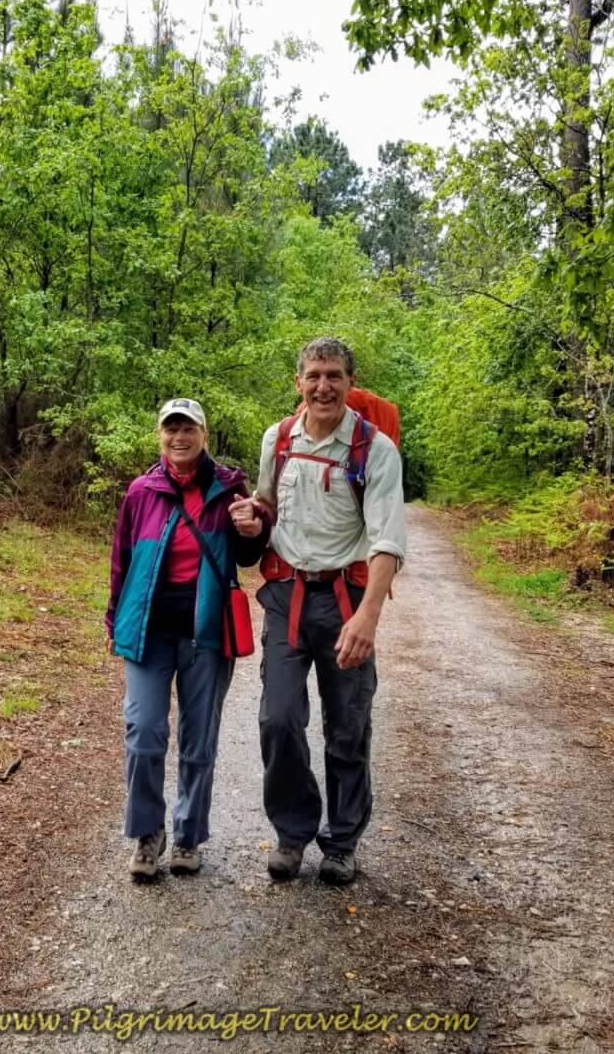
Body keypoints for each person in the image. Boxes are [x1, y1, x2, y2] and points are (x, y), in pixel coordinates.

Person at [236, 337, 407, 885]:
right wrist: (252, 517)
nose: (323, 386)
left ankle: (342, 842)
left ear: (350, 383)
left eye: (334, 376)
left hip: (345, 601)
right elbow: (267, 502)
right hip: (286, 596)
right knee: (278, 719)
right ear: (299, 383)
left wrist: (368, 617)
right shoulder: (278, 438)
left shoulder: (375, 449)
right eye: (313, 375)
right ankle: (292, 833)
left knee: (348, 726)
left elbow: (387, 541)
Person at [106, 397, 269, 880]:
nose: (179, 437)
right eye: (171, 429)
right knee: (143, 732)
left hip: (207, 632)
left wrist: (254, 528)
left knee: (199, 740)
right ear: (160, 435)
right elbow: (122, 559)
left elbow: (248, 555)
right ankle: (147, 834)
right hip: (149, 632)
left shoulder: (228, 488)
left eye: (188, 428)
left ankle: (188, 836)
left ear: (204, 434)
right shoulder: (141, 491)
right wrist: (115, 620)